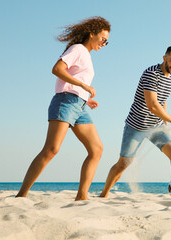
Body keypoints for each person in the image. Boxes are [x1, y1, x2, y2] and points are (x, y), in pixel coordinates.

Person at [16, 17, 111, 201]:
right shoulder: (78, 49)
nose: (104, 43)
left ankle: (82, 196)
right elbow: (58, 69)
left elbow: (72, 80)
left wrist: (86, 98)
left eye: (107, 41)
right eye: (102, 38)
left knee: (96, 149)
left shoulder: (87, 55)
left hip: (79, 105)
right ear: (92, 34)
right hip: (65, 102)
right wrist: (84, 87)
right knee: (51, 149)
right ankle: (21, 195)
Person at [99, 46, 171, 198]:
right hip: (136, 126)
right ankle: (104, 194)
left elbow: (162, 101)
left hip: (156, 125)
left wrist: (164, 124)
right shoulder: (151, 74)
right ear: (164, 58)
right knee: (123, 164)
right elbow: (152, 105)